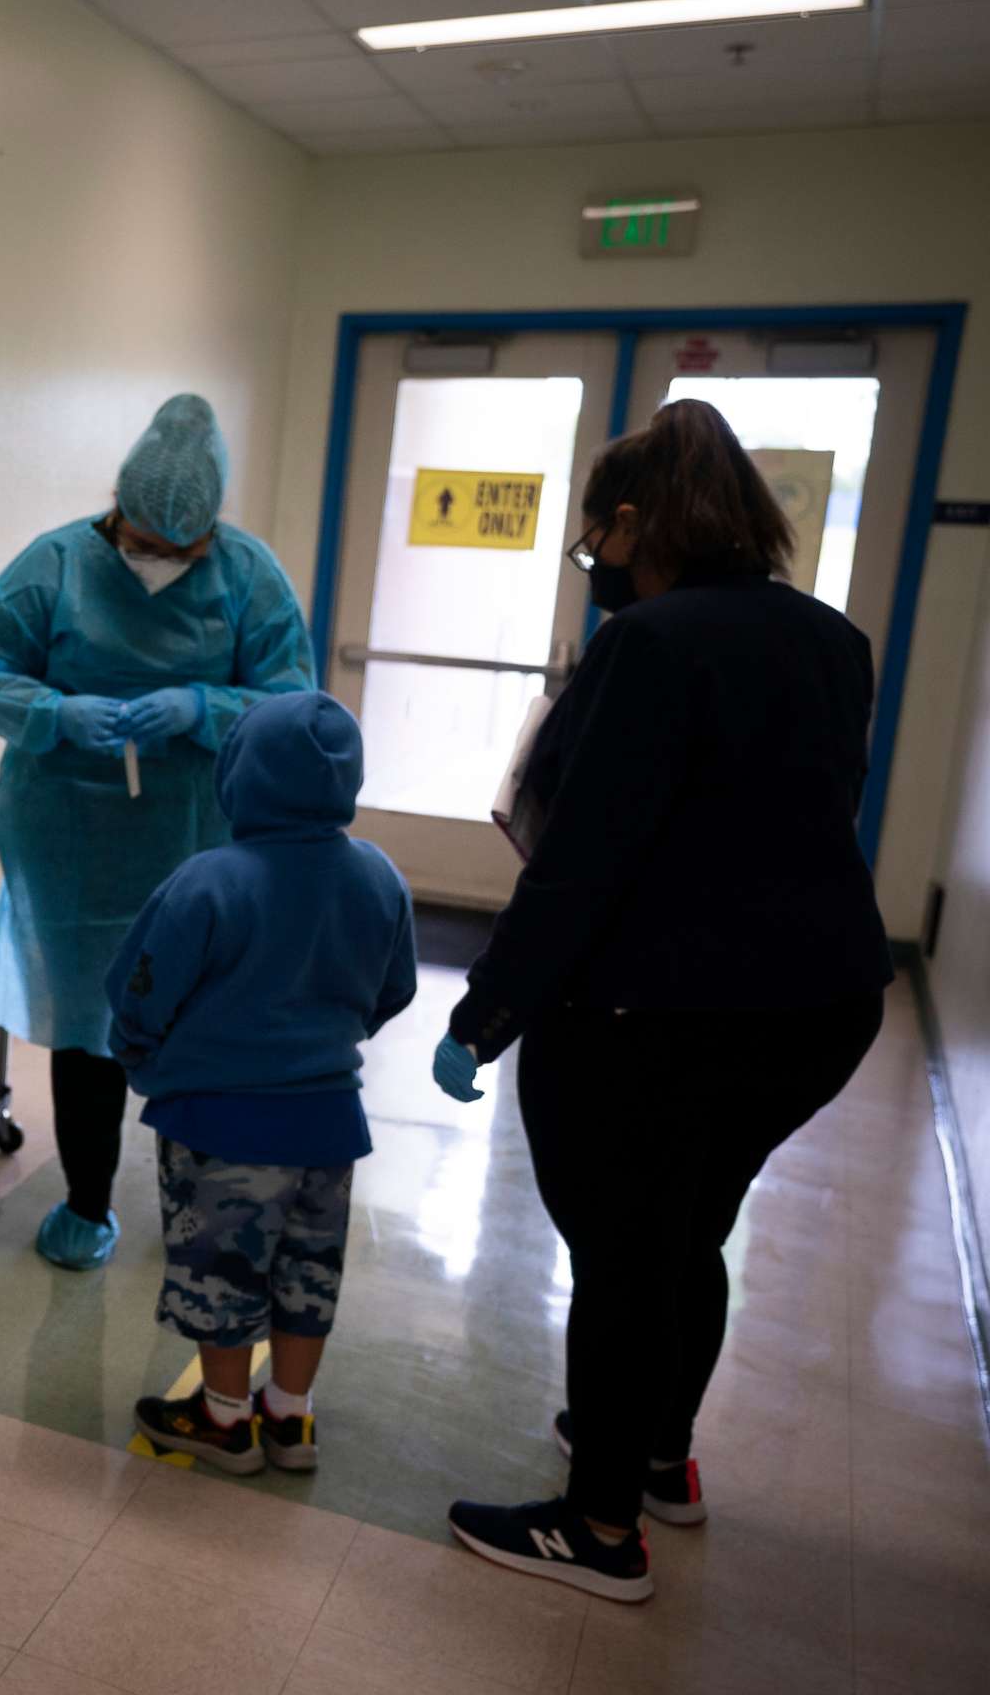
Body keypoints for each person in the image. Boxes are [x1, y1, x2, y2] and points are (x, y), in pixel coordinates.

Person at [430, 399, 891, 1602]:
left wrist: (486, 1012)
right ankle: (660, 1461)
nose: (596, 569)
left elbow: (584, 858)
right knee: (692, 1230)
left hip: (664, 1009)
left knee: (624, 1255)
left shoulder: (652, 647)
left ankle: (598, 1528)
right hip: (822, 1006)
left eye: (595, 546)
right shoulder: (836, 642)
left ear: (635, 522)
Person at [0, 394, 314, 1271]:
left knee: (197, 1023)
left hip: (200, 837)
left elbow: (292, 698)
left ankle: (207, 1206)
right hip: (72, 837)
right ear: (120, 511)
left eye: (180, 550)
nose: (159, 560)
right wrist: (57, 713)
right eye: (145, 541)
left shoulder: (248, 575)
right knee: (91, 1026)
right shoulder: (57, 565)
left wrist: (202, 706)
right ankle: (86, 1203)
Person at [104, 692, 415, 1474]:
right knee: (308, 1272)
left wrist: (137, 1052)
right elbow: (395, 988)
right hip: (328, 1122)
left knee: (223, 1273)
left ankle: (222, 1418)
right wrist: (327, 1039)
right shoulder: (377, 876)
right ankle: (290, 1417)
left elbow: (140, 989)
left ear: (239, 774)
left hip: (219, 1124)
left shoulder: (210, 881)